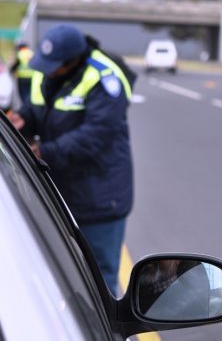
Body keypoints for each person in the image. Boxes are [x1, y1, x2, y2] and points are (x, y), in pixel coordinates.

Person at [9, 23, 134, 296]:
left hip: (99, 198)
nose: (48, 70)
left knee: (100, 281)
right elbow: (39, 107)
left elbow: (95, 135)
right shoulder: (49, 73)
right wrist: (23, 119)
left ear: (74, 60)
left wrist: (44, 152)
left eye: (55, 65)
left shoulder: (105, 78)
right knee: (57, 274)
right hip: (58, 192)